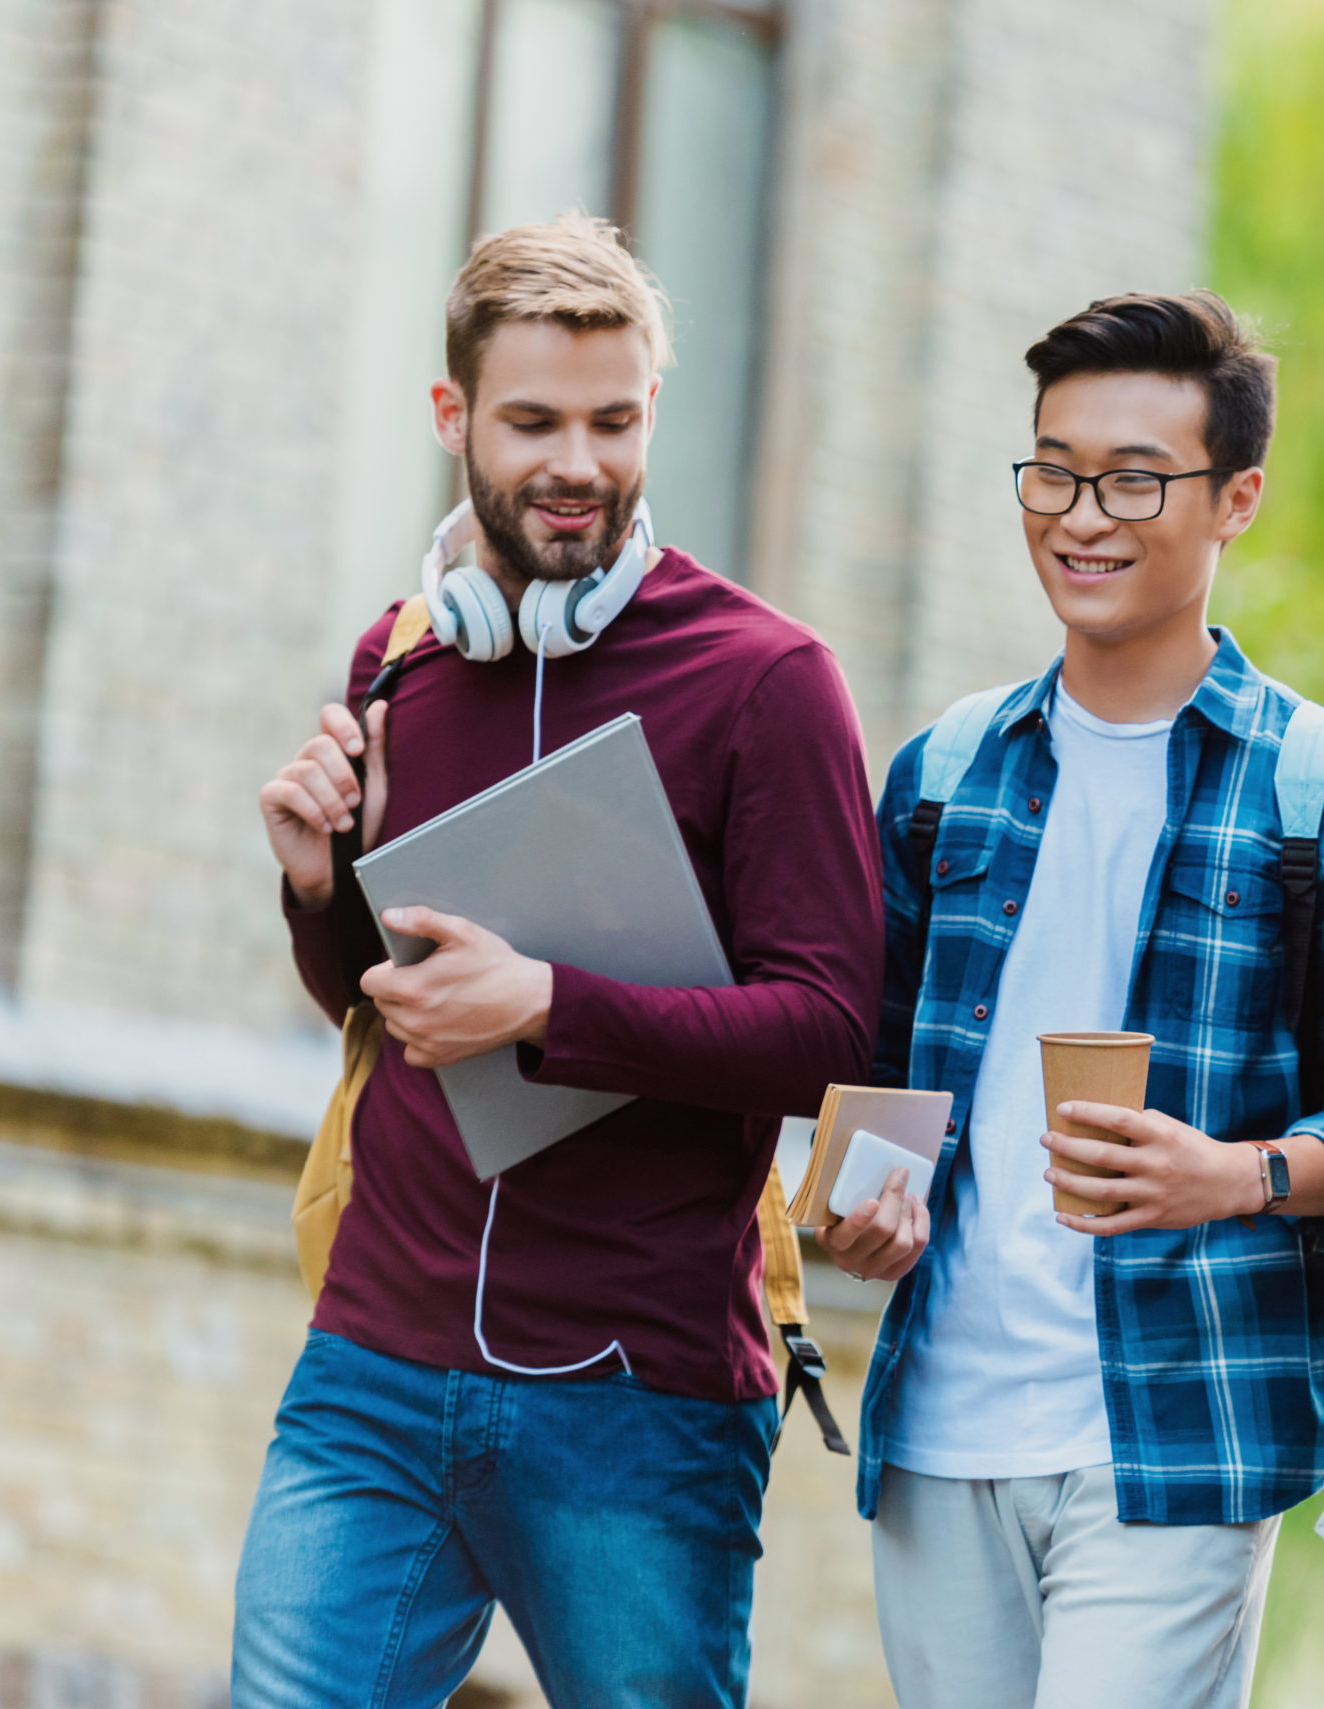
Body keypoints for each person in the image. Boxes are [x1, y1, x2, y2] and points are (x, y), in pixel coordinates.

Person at [237, 213, 893, 1707]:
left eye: (612, 420)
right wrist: (312, 886)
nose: (577, 465)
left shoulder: (771, 682)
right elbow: (378, 1002)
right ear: (453, 415)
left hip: (637, 1396)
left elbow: (827, 1024)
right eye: (532, 422)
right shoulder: (395, 658)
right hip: (374, 1368)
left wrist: (548, 1002)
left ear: (654, 407)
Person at [853, 290, 1324, 1709]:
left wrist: (1232, 1173)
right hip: (939, 1420)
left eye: (1132, 479)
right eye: (1053, 470)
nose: (1080, 514)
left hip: (1183, 1423)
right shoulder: (941, 773)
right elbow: (872, 1061)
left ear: (1236, 500)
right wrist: (855, 1193)